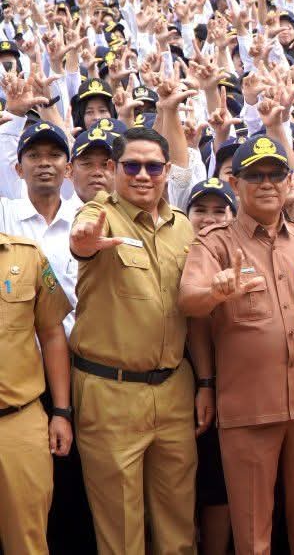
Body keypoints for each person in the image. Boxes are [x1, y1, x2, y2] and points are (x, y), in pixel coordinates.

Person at [178, 134, 294, 555]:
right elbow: (189, 301)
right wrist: (218, 291)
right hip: (249, 408)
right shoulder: (214, 242)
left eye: (276, 174)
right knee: (253, 534)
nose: (267, 183)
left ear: (289, 181)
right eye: (254, 176)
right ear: (236, 184)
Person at [66, 126, 198, 555]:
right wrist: (84, 244)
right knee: (122, 536)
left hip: (173, 390)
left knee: (179, 530)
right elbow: (83, 240)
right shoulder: (97, 214)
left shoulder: (182, 228)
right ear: (111, 169)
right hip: (111, 394)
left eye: (154, 166)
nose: (143, 175)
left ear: (166, 171)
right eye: (132, 165)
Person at [0, 232, 73, 554]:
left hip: (18, 419)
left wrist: (61, 412)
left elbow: (52, 333)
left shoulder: (26, 255)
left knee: (28, 541)